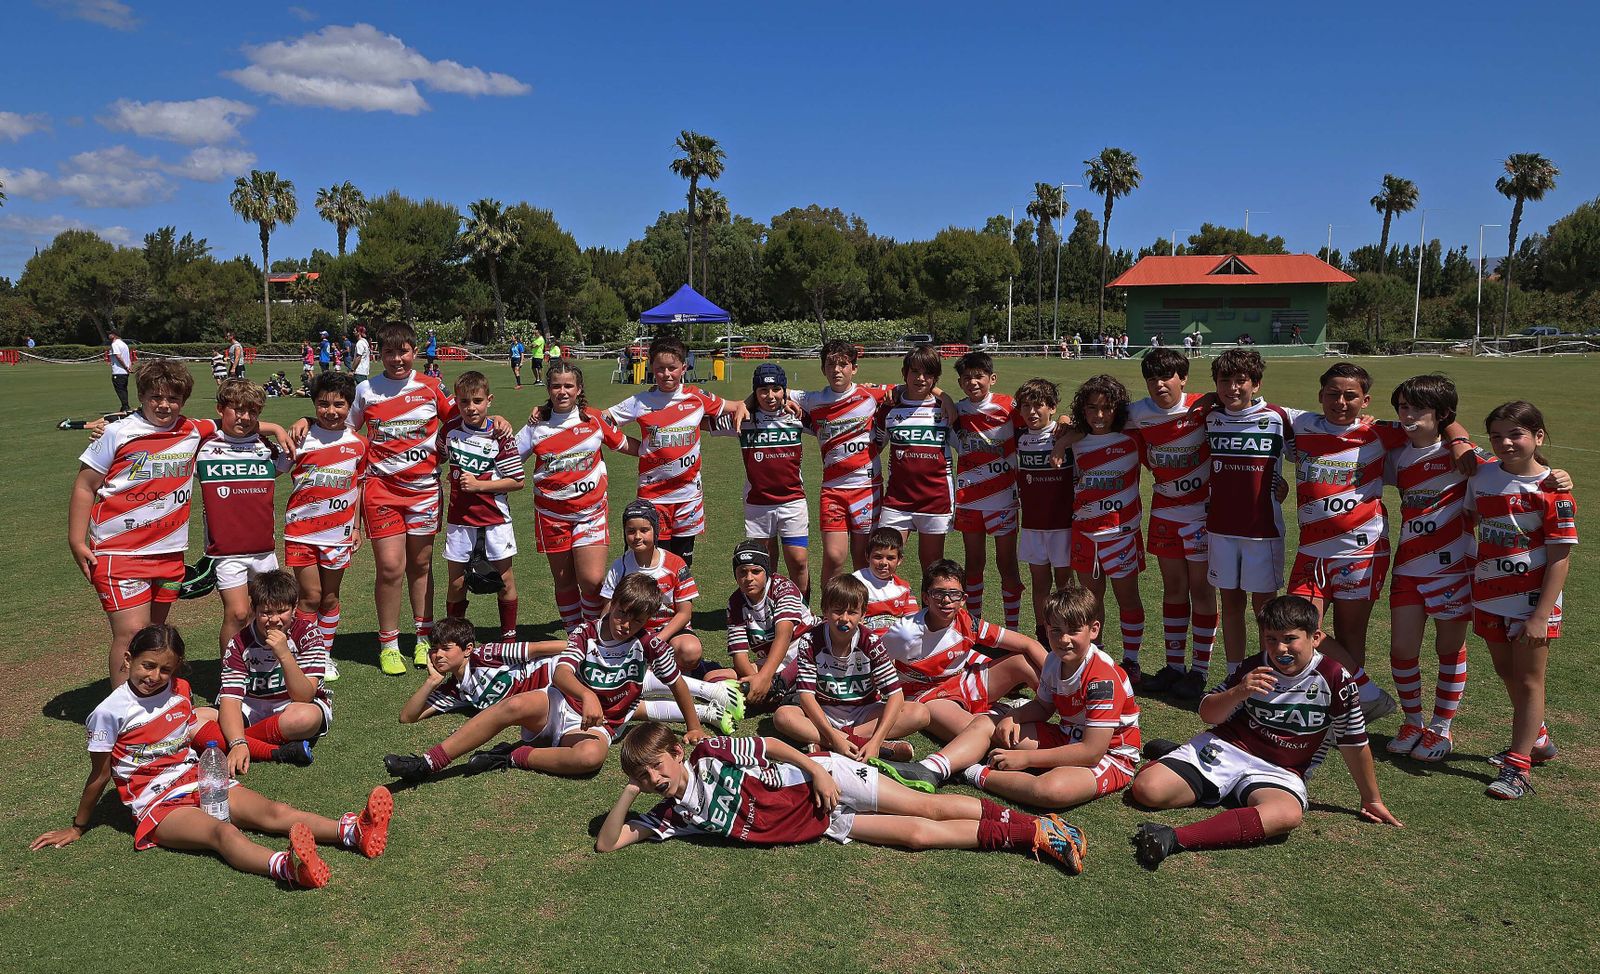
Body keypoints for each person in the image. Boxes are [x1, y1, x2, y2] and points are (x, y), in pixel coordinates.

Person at [31, 624, 392, 887]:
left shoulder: (180, 689)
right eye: (147, 665)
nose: (155, 676)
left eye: (165, 669)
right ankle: (288, 867)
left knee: (274, 811)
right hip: (159, 805)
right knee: (223, 834)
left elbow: (193, 731)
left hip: (198, 780)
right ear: (128, 660)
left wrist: (237, 746)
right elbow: (99, 776)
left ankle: (353, 831)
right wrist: (78, 826)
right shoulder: (108, 712)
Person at [594, 721, 1088, 877]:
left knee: (927, 806)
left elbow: (773, 746)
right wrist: (630, 789)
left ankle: (1034, 829)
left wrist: (816, 771)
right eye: (644, 775)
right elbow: (608, 843)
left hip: (826, 780)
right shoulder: (671, 813)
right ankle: (1034, 830)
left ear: (677, 752)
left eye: (657, 766)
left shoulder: (709, 755)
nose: (654, 777)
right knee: (917, 837)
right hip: (820, 823)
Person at [292, 322, 508, 676]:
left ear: (414, 352)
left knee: (421, 566)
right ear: (380, 354)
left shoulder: (432, 387)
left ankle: (423, 638)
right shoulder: (366, 390)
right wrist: (306, 417)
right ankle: (389, 644)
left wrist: (495, 417)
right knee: (391, 568)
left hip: (424, 490)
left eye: (404, 351)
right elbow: (341, 425)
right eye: (390, 352)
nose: (397, 359)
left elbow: (465, 416)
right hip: (382, 491)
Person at [1129, 595, 1402, 869]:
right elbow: (1208, 713)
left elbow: (1354, 742)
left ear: (1316, 638)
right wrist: (1239, 691)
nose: (1280, 649)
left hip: (1281, 771)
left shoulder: (1335, 678)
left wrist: (1372, 799)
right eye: (1271, 639)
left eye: (1290, 639)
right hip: (1229, 749)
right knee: (1147, 790)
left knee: (1287, 815)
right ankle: (1183, 760)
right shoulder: (1255, 666)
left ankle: (1173, 838)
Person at [69, 362, 288, 682]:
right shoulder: (117, 432)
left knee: (154, 634)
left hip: (170, 553)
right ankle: (122, 706)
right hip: (120, 551)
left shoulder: (192, 429)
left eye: (173, 398)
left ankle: (153, 699)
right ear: (141, 395)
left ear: (183, 401)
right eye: (155, 397)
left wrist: (277, 429)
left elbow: (236, 421)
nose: (164, 405)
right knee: (132, 634)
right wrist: (76, 540)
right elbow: (85, 486)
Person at [389, 575, 712, 779]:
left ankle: (512, 756)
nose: (626, 624)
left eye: (637, 620)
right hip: (560, 703)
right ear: (612, 604)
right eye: (621, 613)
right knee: (513, 705)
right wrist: (585, 694)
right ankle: (427, 763)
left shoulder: (650, 645)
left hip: (595, 725)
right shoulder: (587, 632)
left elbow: (675, 682)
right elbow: (561, 672)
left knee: (591, 758)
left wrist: (693, 726)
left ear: (649, 620)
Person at [879, 585, 1140, 810]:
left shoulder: (1102, 679)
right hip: (1067, 734)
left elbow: (1091, 752)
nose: (1064, 639)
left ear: (1094, 630)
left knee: (1051, 790)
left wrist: (1026, 759)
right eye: (1055, 631)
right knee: (987, 723)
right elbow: (1043, 707)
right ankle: (932, 769)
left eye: (1073, 631)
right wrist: (1014, 716)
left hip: (1110, 754)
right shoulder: (1053, 660)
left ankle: (972, 772)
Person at [1469, 401, 1577, 800]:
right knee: (1506, 671)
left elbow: (1560, 558)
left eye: (1516, 434)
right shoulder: (1482, 474)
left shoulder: (1554, 491)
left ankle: (1518, 767)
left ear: (1539, 437)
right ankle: (1539, 739)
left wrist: (1541, 616)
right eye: (1496, 436)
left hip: (1532, 604)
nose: (1506, 443)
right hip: (1488, 596)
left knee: (1530, 681)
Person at [604, 335, 745, 569]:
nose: (666, 374)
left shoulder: (697, 397)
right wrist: (631, 447)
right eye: (660, 368)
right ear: (651, 368)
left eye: (672, 368)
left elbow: (736, 405)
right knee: (652, 565)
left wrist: (745, 409)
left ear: (684, 367)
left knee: (682, 565)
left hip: (688, 497)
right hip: (653, 497)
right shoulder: (640, 401)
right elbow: (603, 420)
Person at [516, 361, 639, 628]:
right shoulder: (536, 425)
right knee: (564, 582)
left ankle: (592, 631)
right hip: (551, 515)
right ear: (548, 389)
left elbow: (624, 444)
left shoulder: (594, 419)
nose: (562, 391)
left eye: (568, 386)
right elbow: (509, 459)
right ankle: (575, 634)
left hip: (590, 513)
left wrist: (658, 451)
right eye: (556, 386)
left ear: (579, 389)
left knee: (592, 581)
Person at [1124, 348, 1216, 700]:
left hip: (1202, 514)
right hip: (1164, 513)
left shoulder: (1204, 407)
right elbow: (1094, 417)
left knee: (1202, 590)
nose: (1159, 384)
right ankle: (1174, 666)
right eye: (1152, 379)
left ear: (1183, 379)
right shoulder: (1138, 413)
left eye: (1166, 377)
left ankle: (1200, 671)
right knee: (1174, 588)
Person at [878, 560, 1046, 743]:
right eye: (938, 593)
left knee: (1022, 663)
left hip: (962, 681)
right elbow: (873, 663)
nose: (946, 600)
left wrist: (1063, 684)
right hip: (927, 696)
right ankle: (1007, 716)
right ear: (926, 598)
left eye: (954, 594)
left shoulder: (967, 621)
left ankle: (1063, 715)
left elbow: (1029, 644)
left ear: (963, 599)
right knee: (977, 733)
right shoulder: (905, 633)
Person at [773, 575, 929, 762]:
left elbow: (895, 696)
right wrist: (836, 738)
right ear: (825, 610)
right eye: (837, 611)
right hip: (824, 711)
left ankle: (829, 742)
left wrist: (876, 741)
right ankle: (856, 743)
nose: (844, 619)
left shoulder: (871, 642)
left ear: (863, 614)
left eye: (852, 612)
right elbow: (806, 697)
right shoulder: (810, 641)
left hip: (865, 711)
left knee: (920, 713)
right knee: (783, 716)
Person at [1061, 374, 1147, 686]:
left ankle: (1132, 660)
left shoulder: (1133, 438)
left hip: (1121, 534)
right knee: (1090, 601)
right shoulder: (1076, 439)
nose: (1099, 415)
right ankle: (1095, 655)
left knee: (1128, 598)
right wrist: (1062, 436)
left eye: (1107, 408)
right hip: (1085, 534)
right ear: (1082, 409)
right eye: (1092, 408)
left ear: (1117, 409)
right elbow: (1064, 423)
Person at [196, 378, 293, 654]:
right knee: (238, 613)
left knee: (266, 614)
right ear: (220, 409)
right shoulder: (202, 445)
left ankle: (260, 668)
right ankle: (229, 673)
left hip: (263, 549)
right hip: (226, 551)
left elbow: (282, 466)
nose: (246, 418)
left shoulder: (265, 445)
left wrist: (277, 431)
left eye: (253, 411)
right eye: (238, 410)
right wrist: (275, 426)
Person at [789, 339, 895, 587]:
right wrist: (781, 402)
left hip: (867, 489)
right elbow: (775, 390)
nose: (837, 370)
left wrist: (942, 398)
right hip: (833, 491)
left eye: (843, 364)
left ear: (854, 368)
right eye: (830, 365)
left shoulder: (870, 395)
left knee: (863, 559)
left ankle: (864, 608)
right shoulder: (813, 399)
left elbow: (912, 387)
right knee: (834, 557)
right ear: (823, 369)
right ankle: (829, 608)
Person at [284, 371, 367, 682]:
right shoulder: (300, 438)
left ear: (350, 406)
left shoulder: (359, 444)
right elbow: (275, 468)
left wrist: (356, 527)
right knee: (310, 596)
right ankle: (306, 654)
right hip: (301, 532)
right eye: (323, 404)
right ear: (314, 404)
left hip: (338, 534)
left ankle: (323, 655)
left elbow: (358, 486)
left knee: (330, 598)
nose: (331, 411)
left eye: (339, 405)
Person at [440, 371, 525, 642]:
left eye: (477, 401)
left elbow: (517, 481)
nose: (471, 408)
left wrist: (479, 486)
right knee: (457, 583)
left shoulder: (500, 435)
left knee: (504, 580)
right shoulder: (449, 431)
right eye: (464, 401)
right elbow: (437, 457)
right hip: (459, 520)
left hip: (495, 519)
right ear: (456, 402)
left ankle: (509, 639)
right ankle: (454, 639)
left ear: (489, 400)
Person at [599, 500, 725, 680]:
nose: (637, 536)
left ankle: (682, 669)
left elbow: (684, 613)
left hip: (669, 631)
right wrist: (604, 635)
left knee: (690, 651)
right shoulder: (620, 566)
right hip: (632, 629)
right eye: (631, 531)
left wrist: (657, 641)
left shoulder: (676, 564)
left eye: (644, 530)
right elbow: (609, 609)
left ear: (656, 530)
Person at [217, 570, 330, 770]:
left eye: (282, 611)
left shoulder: (308, 634)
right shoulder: (239, 642)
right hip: (250, 707)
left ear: (294, 608)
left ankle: (238, 742)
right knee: (197, 719)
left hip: (292, 707)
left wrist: (284, 654)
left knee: (306, 717)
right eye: (266, 612)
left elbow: (304, 696)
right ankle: (270, 749)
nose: (275, 620)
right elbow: (231, 699)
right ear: (254, 609)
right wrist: (237, 741)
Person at [718, 363, 811, 599]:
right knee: (765, 562)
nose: (770, 396)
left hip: (793, 501)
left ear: (784, 390)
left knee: (799, 562)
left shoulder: (797, 415)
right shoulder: (743, 418)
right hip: (758, 504)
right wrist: (743, 404)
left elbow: (828, 419)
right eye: (762, 390)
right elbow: (701, 419)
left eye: (776, 389)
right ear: (755, 392)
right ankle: (769, 610)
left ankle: (802, 610)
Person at [952, 352, 1025, 628]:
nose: (973, 382)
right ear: (960, 382)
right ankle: (974, 626)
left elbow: (1036, 423)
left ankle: (1012, 628)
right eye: (966, 378)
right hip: (969, 499)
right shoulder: (956, 410)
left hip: (1003, 498)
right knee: (973, 564)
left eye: (979, 376)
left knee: (1007, 564)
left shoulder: (1009, 406)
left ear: (992, 378)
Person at [874, 344, 956, 571]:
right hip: (897, 501)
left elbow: (966, 446)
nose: (921, 378)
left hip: (936, 500)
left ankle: (928, 599)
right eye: (915, 372)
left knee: (931, 567)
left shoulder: (944, 409)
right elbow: (875, 446)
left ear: (936, 377)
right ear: (905, 373)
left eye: (928, 373)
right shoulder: (889, 408)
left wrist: (945, 397)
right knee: (884, 561)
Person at [1014, 378, 1074, 647]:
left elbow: (1085, 429)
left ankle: (1067, 630)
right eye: (1026, 406)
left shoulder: (1064, 434)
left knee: (1065, 584)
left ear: (1052, 407)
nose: (1032, 412)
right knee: (1039, 584)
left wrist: (1065, 423)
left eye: (1038, 405)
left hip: (1062, 525)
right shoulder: (1019, 436)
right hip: (1032, 525)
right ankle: (1044, 634)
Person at [726, 540, 814, 709]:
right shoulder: (735, 602)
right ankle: (782, 692)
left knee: (813, 651)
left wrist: (764, 679)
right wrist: (758, 683)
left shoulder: (784, 588)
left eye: (756, 571)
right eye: (742, 572)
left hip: (804, 652)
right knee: (714, 677)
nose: (749, 578)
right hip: (772, 662)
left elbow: (783, 636)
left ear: (766, 571)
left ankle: (782, 686)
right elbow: (739, 656)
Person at [852, 527, 919, 640]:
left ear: (899, 560)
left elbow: (913, 622)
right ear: (867, 556)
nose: (883, 562)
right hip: (863, 642)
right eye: (878, 557)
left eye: (890, 558)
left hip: (895, 643)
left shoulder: (904, 589)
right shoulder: (854, 582)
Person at [108, 329, 133, 411]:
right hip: (125, 373)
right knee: (124, 389)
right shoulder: (124, 344)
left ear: (114, 335)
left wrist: (125, 367)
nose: (109, 335)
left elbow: (118, 356)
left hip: (118, 371)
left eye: (110, 334)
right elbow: (128, 357)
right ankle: (124, 406)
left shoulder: (115, 344)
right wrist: (129, 367)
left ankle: (125, 407)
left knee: (120, 390)